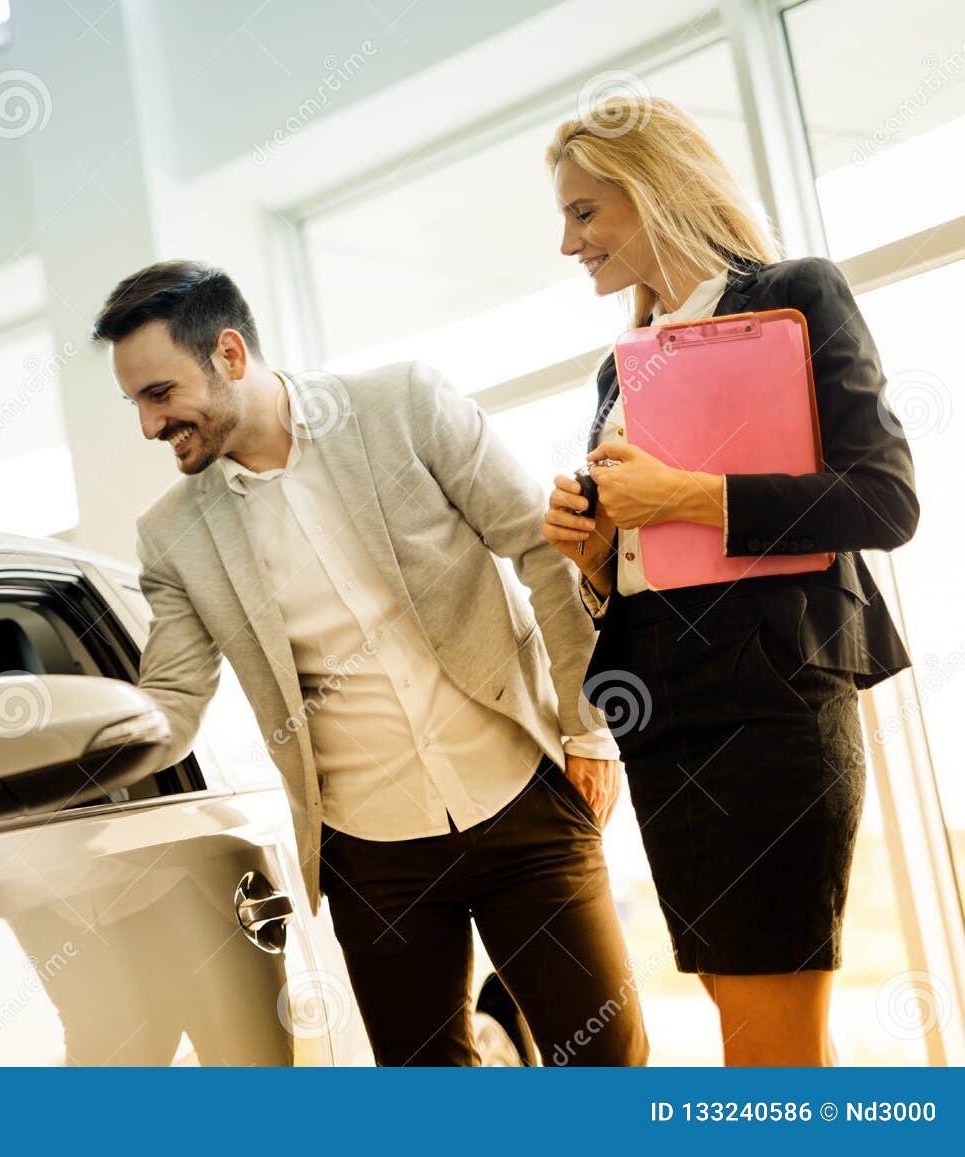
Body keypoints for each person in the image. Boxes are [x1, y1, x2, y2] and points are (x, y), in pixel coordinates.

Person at [92, 260, 648, 1066]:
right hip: (371, 858)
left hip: (522, 794)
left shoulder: (404, 408)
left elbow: (540, 545)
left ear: (231, 355)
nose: (149, 426)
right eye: (136, 403)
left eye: (160, 395)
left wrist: (588, 726)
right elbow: (169, 704)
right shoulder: (172, 536)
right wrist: (29, 754)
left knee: (608, 1067)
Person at [541, 97, 919, 1066]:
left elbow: (882, 501)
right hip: (666, 722)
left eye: (585, 211)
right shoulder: (615, 369)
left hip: (772, 711)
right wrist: (592, 556)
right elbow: (643, 566)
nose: (567, 240)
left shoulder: (795, 296)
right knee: (755, 1029)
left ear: (654, 186)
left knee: (767, 1044)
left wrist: (689, 492)